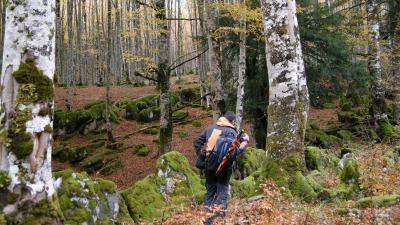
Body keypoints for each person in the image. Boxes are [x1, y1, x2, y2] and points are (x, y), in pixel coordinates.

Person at [193, 111, 250, 224]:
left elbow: (197, 143)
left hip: (209, 166)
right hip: (225, 168)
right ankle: (219, 220)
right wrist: (245, 141)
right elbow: (236, 151)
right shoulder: (232, 132)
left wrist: (202, 156)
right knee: (222, 192)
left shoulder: (211, 128)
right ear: (232, 121)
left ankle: (207, 221)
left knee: (210, 193)